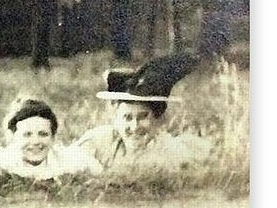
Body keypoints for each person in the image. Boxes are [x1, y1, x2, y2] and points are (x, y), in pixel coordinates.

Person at [75, 53, 212, 170]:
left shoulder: (173, 152)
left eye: (143, 117)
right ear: (116, 117)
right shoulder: (99, 141)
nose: (134, 127)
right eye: (127, 117)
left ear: (158, 118)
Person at [0, 98, 102, 180]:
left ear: (53, 138)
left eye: (43, 134)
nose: (35, 142)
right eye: (27, 134)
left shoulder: (66, 159)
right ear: (14, 137)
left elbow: (96, 169)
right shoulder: (3, 160)